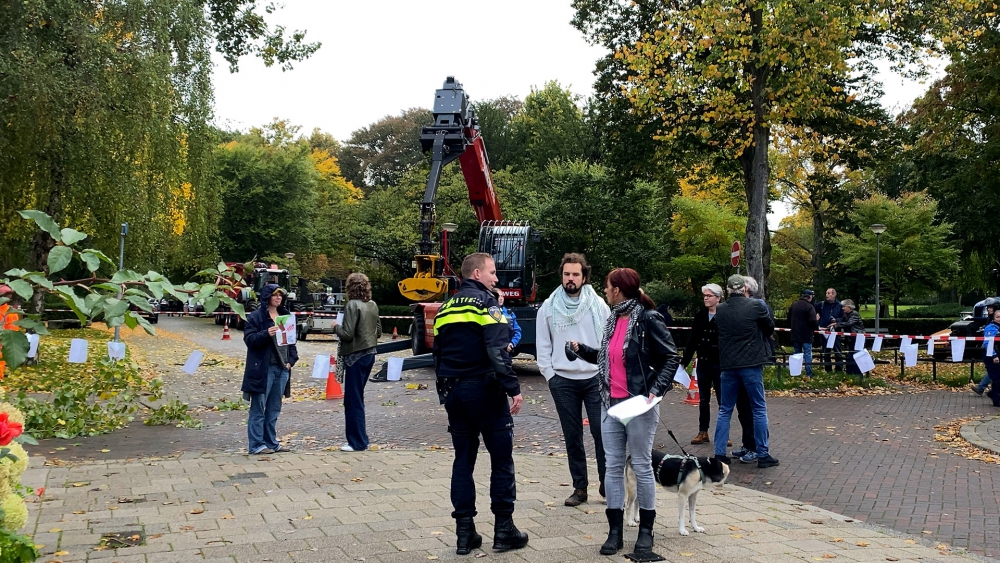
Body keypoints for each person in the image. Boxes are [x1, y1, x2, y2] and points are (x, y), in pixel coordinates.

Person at [568, 268, 679, 558]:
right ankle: (615, 531)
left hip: (639, 404)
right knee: (613, 467)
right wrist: (583, 350)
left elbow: (671, 356)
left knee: (641, 465)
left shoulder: (648, 318)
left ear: (617, 289)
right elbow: (609, 358)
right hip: (610, 403)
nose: (604, 290)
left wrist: (657, 390)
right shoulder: (613, 319)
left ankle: (646, 531)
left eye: (607, 287)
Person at [433, 253, 527, 555]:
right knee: (501, 459)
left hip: (454, 393)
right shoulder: (488, 305)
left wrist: (445, 392)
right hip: (484, 391)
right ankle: (504, 530)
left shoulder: (445, 308)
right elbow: (498, 351)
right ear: (476, 273)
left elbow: (437, 354)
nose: (496, 278)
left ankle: (465, 534)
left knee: (463, 461)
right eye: (492, 272)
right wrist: (513, 389)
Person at [535, 253, 610, 507]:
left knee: (602, 434)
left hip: (594, 379)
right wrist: (550, 375)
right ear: (562, 276)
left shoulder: (598, 305)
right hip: (563, 381)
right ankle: (580, 488)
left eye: (575, 274)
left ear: (584, 277)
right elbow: (542, 343)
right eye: (567, 274)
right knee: (572, 436)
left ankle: (606, 484)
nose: (570, 279)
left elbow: (607, 342)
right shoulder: (549, 306)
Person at [714, 275, 778, 469]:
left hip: (728, 366)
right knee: (758, 408)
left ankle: (719, 453)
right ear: (744, 288)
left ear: (727, 289)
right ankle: (763, 453)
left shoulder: (721, 310)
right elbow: (769, 327)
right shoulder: (755, 306)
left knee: (725, 410)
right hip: (751, 365)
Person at [241, 284, 298, 455]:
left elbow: (291, 341)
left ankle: (271, 442)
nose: (278, 298)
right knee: (258, 407)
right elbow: (249, 340)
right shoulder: (256, 317)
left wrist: (291, 360)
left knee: (274, 408)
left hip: (282, 368)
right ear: (267, 297)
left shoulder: (285, 316)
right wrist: (266, 333)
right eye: (275, 295)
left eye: (280, 295)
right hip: (263, 369)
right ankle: (256, 445)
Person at [333, 273, 382, 452]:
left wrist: (335, 328)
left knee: (353, 400)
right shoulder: (372, 305)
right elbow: (378, 331)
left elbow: (347, 334)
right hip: (370, 354)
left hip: (355, 355)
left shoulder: (352, 305)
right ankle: (361, 439)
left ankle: (357, 442)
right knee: (357, 398)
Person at [684, 284, 723, 445]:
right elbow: (693, 339)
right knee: (703, 399)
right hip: (704, 363)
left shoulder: (724, 315)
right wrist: (684, 361)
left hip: (720, 363)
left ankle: (723, 434)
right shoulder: (700, 315)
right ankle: (703, 431)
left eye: (709, 295)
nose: (706, 298)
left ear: (718, 298)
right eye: (705, 295)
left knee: (723, 400)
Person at [972, 298, 999, 396]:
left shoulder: (995, 317)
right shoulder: (991, 318)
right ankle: (985, 389)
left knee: (994, 370)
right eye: (987, 307)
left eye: (990, 307)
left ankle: (983, 388)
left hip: (994, 348)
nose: (988, 309)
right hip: (993, 349)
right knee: (994, 370)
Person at [789, 289, 819, 377]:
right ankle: (809, 373)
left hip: (795, 333)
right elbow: (812, 321)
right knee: (807, 354)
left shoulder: (794, 305)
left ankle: (795, 372)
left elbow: (788, 319)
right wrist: (817, 320)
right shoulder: (810, 307)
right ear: (810, 297)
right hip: (806, 334)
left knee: (797, 353)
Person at [830, 299, 864, 375]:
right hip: (852, 338)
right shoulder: (846, 315)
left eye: (844, 306)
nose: (842, 308)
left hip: (858, 338)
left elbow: (849, 323)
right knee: (851, 355)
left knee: (857, 355)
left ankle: (858, 373)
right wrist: (834, 324)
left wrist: (837, 324)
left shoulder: (854, 314)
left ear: (849, 307)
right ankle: (850, 372)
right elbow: (842, 322)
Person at [817, 288, 845, 371]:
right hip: (824, 331)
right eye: (826, 293)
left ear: (834, 295)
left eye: (829, 293)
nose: (827, 295)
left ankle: (839, 369)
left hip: (835, 332)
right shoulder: (822, 304)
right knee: (826, 352)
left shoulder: (840, 306)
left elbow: (844, 318)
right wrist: (816, 315)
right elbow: (812, 309)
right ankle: (828, 369)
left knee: (837, 351)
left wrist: (836, 321)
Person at [981, 309, 1000, 407]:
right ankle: (997, 400)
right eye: (998, 317)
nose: (999, 319)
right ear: (994, 318)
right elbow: (987, 343)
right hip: (992, 355)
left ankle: (993, 394)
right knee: (997, 378)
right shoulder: (991, 328)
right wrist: (994, 356)